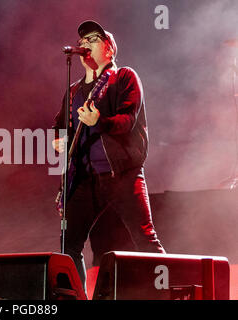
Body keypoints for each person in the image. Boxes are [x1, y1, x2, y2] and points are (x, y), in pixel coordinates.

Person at [52, 20, 166, 294]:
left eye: (93, 39)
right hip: (86, 178)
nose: (84, 45)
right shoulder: (75, 91)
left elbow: (127, 120)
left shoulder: (124, 77)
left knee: (145, 238)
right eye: (82, 42)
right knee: (69, 242)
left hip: (122, 175)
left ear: (109, 48)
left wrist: (98, 120)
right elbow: (59, 124)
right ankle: (78, 297)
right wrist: (58, 139)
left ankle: (166, 292)